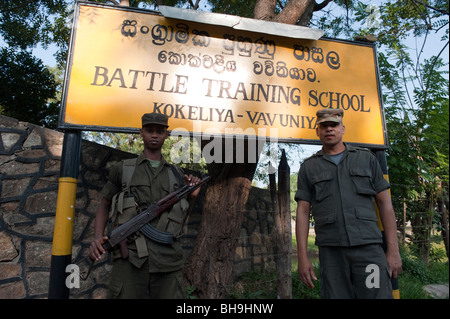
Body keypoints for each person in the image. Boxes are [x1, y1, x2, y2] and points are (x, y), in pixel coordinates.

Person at [89, 112, 201, 299]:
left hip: (168, 260)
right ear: (141, 133)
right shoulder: (124, 169)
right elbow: (104, 204)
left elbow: (181, 218)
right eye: (149, 130)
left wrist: (192, 197)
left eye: (159, 131)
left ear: (167, 134)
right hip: (130, 259)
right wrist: (97, 238)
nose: (154, 135)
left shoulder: (176, 174)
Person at [295, 108, 402, 299]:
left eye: (333, 125)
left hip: (368, 251)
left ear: (343, 128)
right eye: (324, 126)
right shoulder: (309, 167)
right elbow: (302, 212)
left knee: (376, 295)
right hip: (332, 254)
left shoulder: (366, 159)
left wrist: (393, 251)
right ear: (317, 131)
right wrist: (302, 258)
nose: (329, 129)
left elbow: (385, 203)